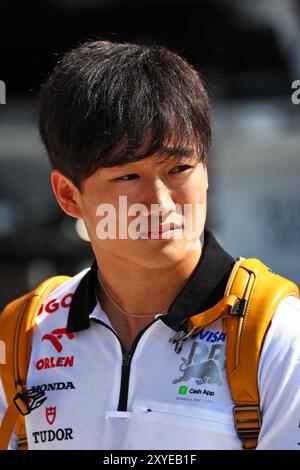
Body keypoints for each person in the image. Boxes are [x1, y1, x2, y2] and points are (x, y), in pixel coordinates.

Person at [0, 39, 300, 450]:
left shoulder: (277, 333)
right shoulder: (22, 335)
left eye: (179, 168)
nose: (159, 203)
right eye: (127, 177)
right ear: (69, 196)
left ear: (206, 171)